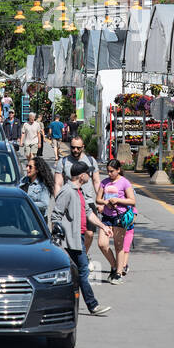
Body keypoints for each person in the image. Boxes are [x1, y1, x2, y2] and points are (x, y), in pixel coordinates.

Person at [50, 162, 110, 316]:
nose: (90, 176)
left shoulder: (80, 191)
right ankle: (92, 305)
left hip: (80, 237)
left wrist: (103, 226)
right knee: (83, 270)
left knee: (74, 273)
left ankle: (62, 304)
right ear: (81, 175)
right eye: (87, 173)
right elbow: (56, 215)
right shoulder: (68, 191)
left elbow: (89, 213)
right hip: (72, 240)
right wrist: (60, 237)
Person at [57, 135, 116, 277]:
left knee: (89, 233)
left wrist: (100, 200)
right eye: (72, 147)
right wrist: (60, 199)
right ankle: (78, 260)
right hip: (71, 204)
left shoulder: (90, 161)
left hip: (89, 201)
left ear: (83, 147)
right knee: (73, 234)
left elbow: (97, 181)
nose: (75, 150)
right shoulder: (63, 161)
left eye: (78, 147)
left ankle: (84, 255)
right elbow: (58, 183)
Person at [96, 158, 136, 282]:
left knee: (119, 246)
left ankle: (118, 273)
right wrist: (105, 202)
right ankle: (114, 265)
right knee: (102, 244)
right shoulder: (104, 182)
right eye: (108, 171)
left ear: (118, 170)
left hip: (119, 217)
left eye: (112, 171)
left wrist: (118, 200)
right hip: (107, 217)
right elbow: (98, 199)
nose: (109, 174)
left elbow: (132, 200)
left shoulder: (124, 182)